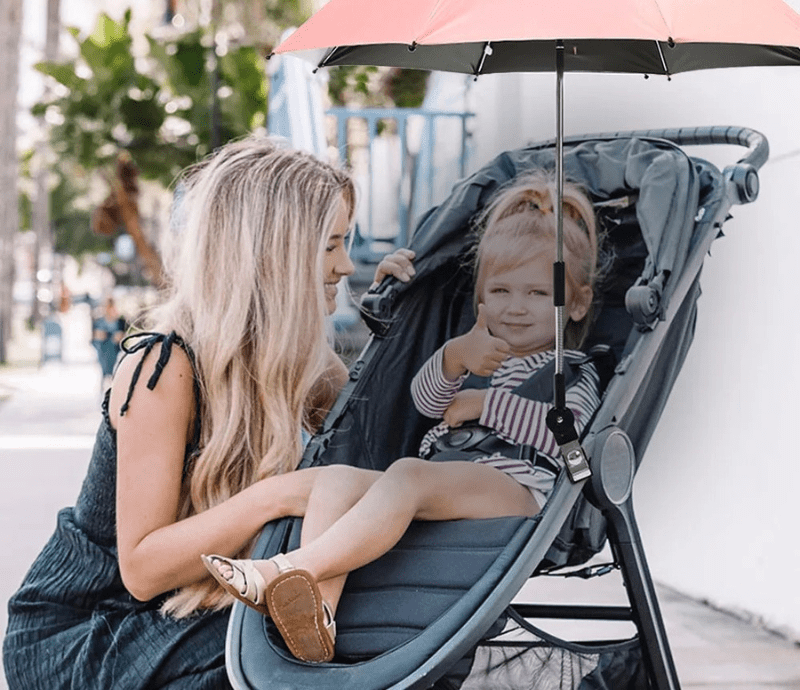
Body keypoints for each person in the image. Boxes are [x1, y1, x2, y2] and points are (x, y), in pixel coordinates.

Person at [2, 137, 382, 690]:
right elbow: (141, 569)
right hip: (88, 629)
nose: (346, 265)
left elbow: (373, 455)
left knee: (348, 628)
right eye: (331, 245)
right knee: (298, 644)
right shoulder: (165, 366)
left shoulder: (303, 366)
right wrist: (279, 495)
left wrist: (402, 322)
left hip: (187, 612)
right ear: (275, 252)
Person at [202, 172, 604, 665]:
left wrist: (485, 405)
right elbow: (425, 403)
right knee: (335, 479)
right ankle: (318, 611)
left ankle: (288, 569)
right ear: (481, 298)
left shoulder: (572, 371)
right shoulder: (474, 351)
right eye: (501, 292)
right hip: (448, 481)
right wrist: (455, 359)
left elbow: (570, 439)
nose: (516, 308)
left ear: (577, 302)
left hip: (521, 490)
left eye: (539, 295)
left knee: (408, 474)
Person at [91, 295, 127, 392]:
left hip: (115, 350)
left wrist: (110, 336)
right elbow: (96, 336)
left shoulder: (120, 321)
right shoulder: (99, 321)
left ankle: (112, 384)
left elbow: (120, 337)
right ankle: (105, 383)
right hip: (103, 349)